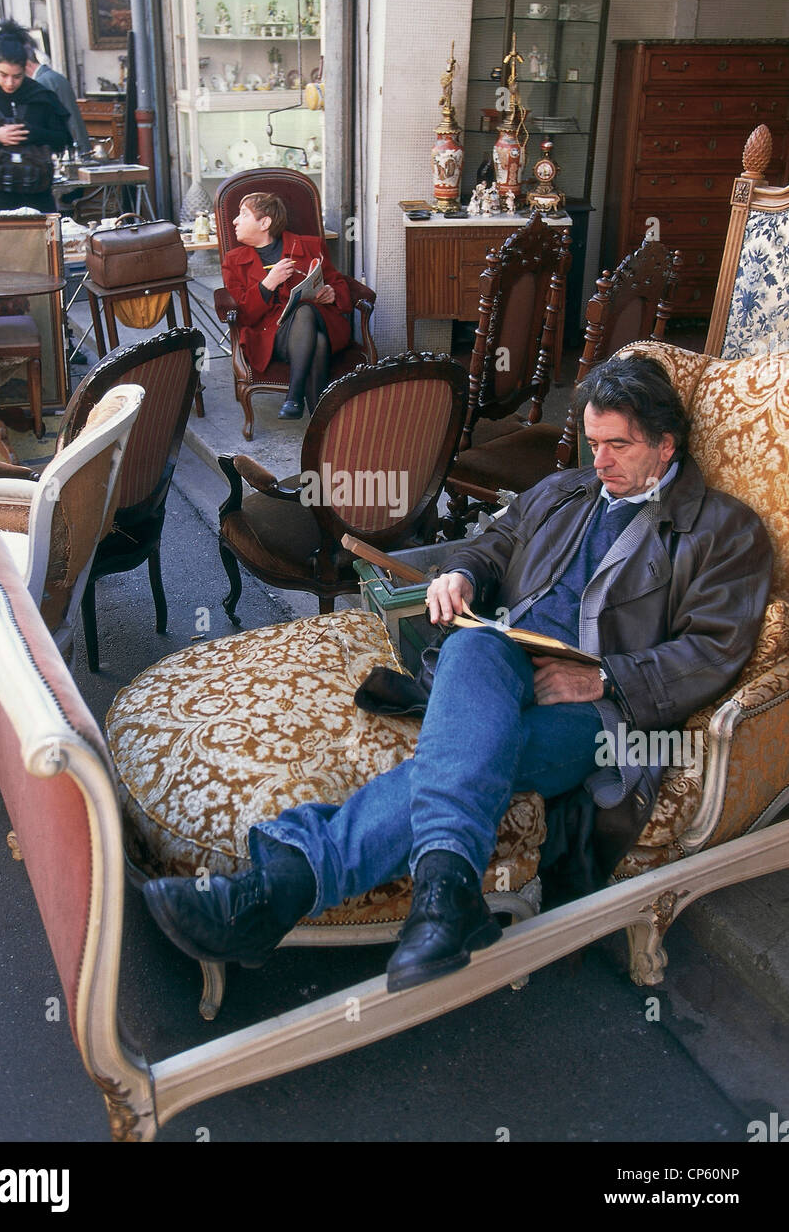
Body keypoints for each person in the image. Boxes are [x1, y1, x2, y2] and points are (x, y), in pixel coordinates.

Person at [143, 355, 773, 993]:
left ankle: (276, 892)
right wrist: (463, 574)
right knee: (475, 647)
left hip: (598, 716)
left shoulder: (725, 533)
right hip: (497, 667)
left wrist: (604, 678)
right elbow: (492, 543)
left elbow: (713, 652)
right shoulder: (566, 490)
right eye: (592, 442)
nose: (601, 461)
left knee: (460, 759)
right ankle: (446, 899)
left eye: (618, 446)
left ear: (666, 446)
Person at [221, 191, 352, 418]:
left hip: (322, 322)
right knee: (318, 343)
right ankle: (319, 424)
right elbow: (244, 315)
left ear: (265, 222)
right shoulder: (233, 261)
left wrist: (332, 293)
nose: (234, 221)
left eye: (242, 214)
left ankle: (294, 398)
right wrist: (267, 284)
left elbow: (339, 283)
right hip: (271, 336)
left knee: (305, 310)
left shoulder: (310, 246)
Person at [0, 19, 70, 213]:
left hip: (40, 197)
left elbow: (63, 140)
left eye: (17, 76)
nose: (10, 83)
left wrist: (32, 133)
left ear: (26, 68)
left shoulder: (42, 97)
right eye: (3, 75)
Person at [24, 40, 91, 158]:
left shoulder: (41, 82)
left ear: (27, 64)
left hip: (69, 149)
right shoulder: (54, 76)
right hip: (78, 143)